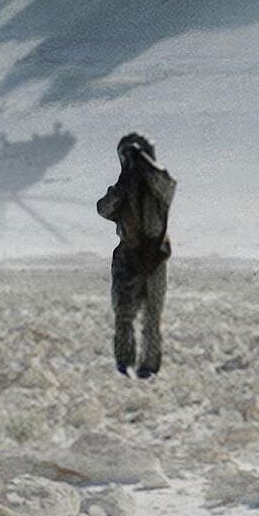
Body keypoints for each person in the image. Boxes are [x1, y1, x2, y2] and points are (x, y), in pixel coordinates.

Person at [97, 133, 175, 378]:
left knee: (152, 316)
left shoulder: (160, 186)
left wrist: (143, 164)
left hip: (154, 257)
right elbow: (103, 208)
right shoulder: (122, 189)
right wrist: (125, 182)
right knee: (124, 315)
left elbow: (167, 186)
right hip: (128, 257)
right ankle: (124, 362)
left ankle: (149, 365)